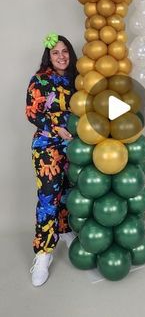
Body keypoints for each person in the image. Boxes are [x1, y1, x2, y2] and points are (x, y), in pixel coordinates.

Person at [25, 33, 77, 287]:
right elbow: (32, 113)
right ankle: (43, 254)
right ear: (49, 56)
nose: (61, 56)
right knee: (48, 198)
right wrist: (57, 129)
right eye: (55, 52)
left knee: (69, 192)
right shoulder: (40, 80)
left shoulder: (77, 80)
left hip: (75, 147)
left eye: (65, 51)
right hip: (47, 147)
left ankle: (65, 231)